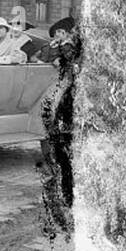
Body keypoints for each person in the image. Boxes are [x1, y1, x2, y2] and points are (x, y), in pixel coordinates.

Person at [38, 16, 78, 234]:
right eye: (57, 34)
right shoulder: (56, 46)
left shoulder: (70, 46)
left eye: (62, 33)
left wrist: (61, 56)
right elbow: (47, 58)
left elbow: (69, 62)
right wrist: (52, 50)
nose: (59, 37)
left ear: (67, 34)